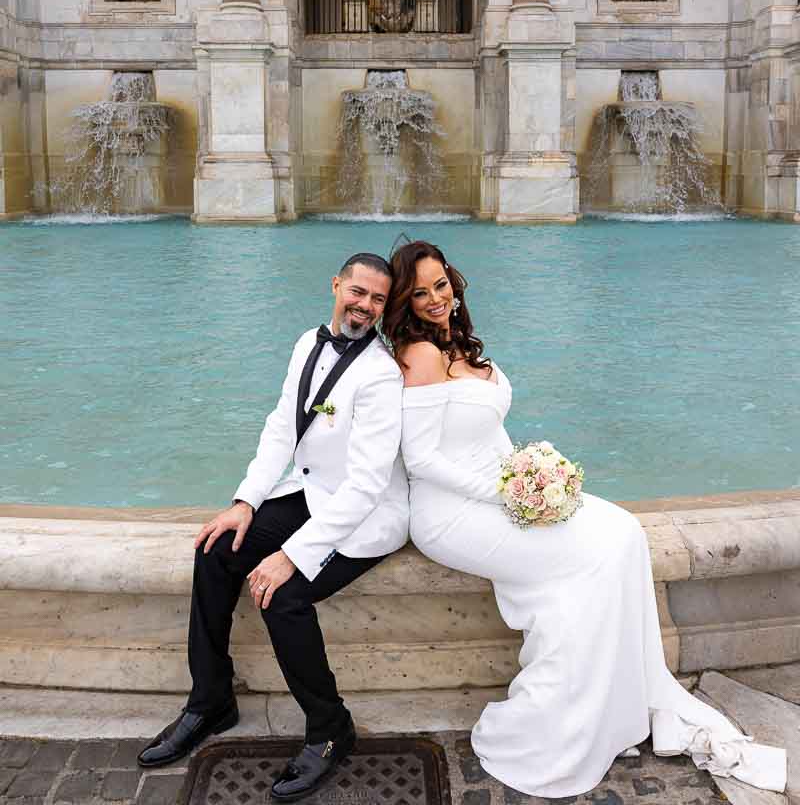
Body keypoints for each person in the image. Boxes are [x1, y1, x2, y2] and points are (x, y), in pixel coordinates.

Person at [382, 239, 786, 800]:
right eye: (420, 292)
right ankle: (551, 727)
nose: (435, 299)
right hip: (450, 514)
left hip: (501, 490)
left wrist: (530, 472)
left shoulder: (462, 345)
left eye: (441, 285)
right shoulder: (418, 355)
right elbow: (422, 460)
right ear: (404, 299)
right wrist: (508, 493)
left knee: (623, 532)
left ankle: (614, 708)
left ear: (454, 282)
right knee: (594, 556)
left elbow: (486, 430)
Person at [138, 252, 408, 801]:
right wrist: (245, 501)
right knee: (216, 549)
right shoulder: (306, 342)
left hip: (366, 516)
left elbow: (365, 486)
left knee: (283, 596)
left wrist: (292, 554)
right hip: (312, 494)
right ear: (335, 285)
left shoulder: (381, 373)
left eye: (378, 299)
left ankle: (331, 728)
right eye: (357, 292)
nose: (365, 307)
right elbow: (281, 429)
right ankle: (211, 700)